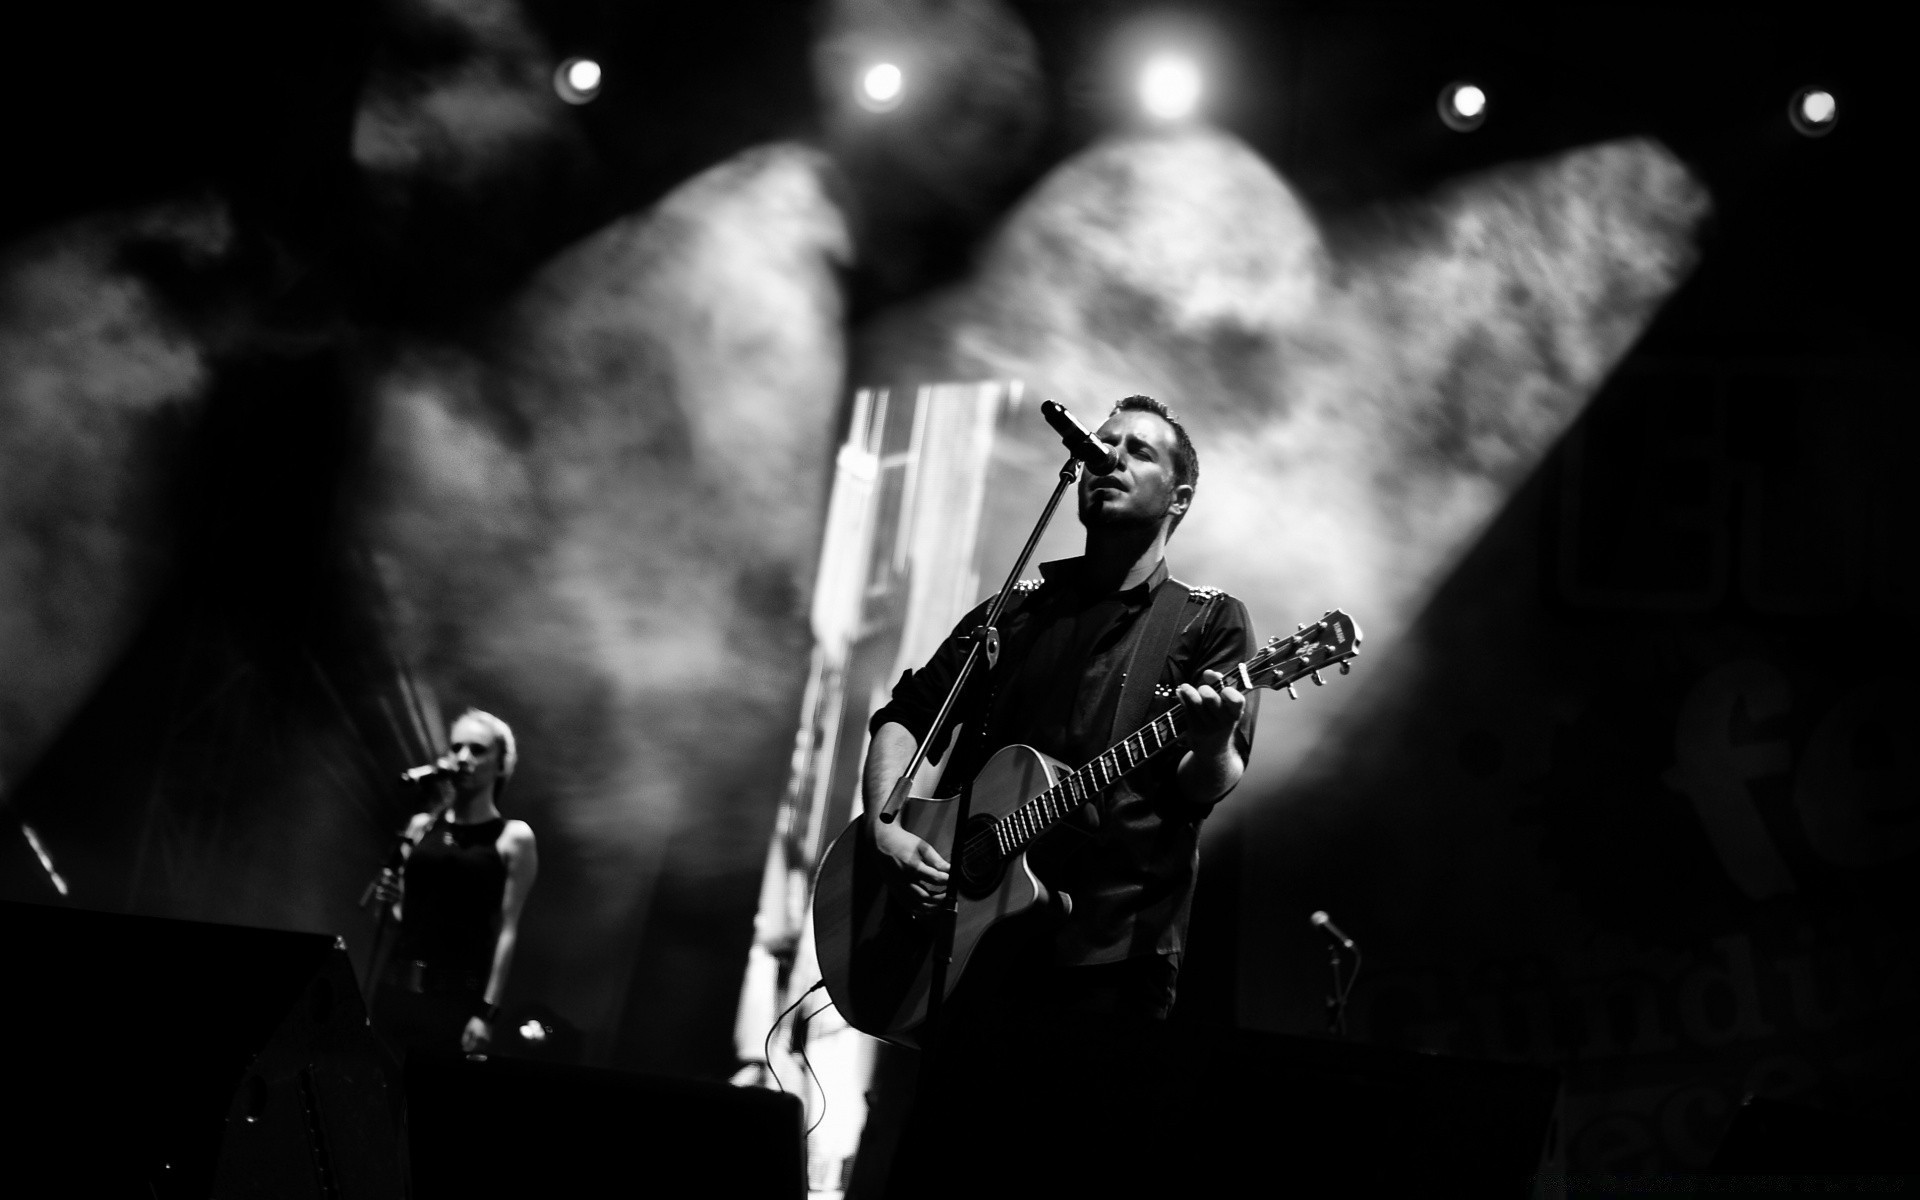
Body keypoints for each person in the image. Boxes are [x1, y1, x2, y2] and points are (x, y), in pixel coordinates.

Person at [864, 395, 1259, 1196]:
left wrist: (1213, 736)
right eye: (1101, 443)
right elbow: (910, 720)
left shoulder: (1205, 624)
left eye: (1138, 451)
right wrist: (885, 829)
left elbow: (1204, 790)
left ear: (1179, 499)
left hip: (1110, 961)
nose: (1107, 457)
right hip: (969, 959)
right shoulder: (1015, 611)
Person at [374, 708, 538, 1059]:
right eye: (456, 747)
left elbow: (507, 930)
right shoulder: (421, 826)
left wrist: (486, 1013)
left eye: (477, 750)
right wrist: (386, 904)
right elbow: (397, 921)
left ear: (501, 764)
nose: (463, 758)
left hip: (454, 1004)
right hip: (397, 989)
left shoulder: (513, 838)